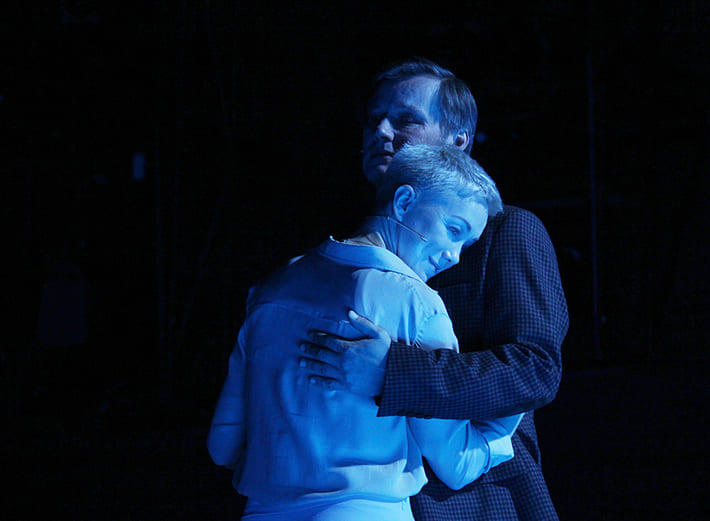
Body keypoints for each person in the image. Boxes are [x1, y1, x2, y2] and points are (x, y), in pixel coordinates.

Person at [300, 57, 569, 520]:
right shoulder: (339, 250)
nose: (381, 132)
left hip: (469, 502)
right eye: (373, 120)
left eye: (406, 120)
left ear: (458, 141)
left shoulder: (505, 232)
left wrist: (392, 373)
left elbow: (535, 368)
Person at [207, 144, 522, 521]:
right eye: (454, 230)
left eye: (465, 245)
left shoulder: (270, 290)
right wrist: (510, 416)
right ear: (403, 202)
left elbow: (222, 445)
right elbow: (457, 464)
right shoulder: (417, 305)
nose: (454, 256)